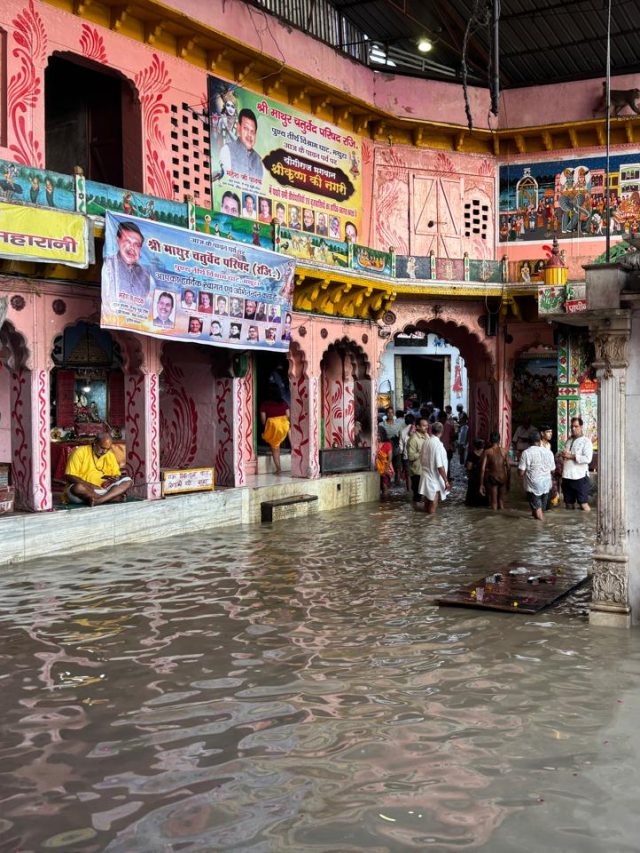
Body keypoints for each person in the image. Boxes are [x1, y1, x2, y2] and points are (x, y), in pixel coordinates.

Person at [64, 432, 132, 506]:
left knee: (128, 481)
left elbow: (117, 475)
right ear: (95, 443)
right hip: (85, 492)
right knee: (77, 487)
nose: (104, 452)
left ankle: (98, 500)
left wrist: (113, 480)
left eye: (107, 449)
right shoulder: (79, 452)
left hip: (104, 490)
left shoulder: (110, 455)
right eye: (102, 448)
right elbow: (69, 476)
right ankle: (110, 499)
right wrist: (91, 486)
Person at [102, 221, 152, 313]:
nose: (132, 248)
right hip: (112, 320)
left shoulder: (145, 274)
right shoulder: (108, 264)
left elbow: (148, 302)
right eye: (128, 241)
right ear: (118, 240)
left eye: (136, 245)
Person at [519, 430, 556, 521]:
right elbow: (553, 470)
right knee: (538, 511)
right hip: (546, 486)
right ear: (539, 441)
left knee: (539, 514)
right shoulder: (549, 452)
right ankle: (536, 531)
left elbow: (521, 472)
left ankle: (542, 531)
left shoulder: (526, 453)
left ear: (529, 442)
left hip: (533, 486)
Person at [219, 108, 263, 179]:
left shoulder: (259, 162)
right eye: (246, 129)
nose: (249, 135)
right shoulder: (227, 150)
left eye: (252, 132)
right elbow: (225, 180)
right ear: (239, 128)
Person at [561, 417, 593, 511]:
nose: (573, 429)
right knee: (568, 505)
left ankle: (587, 525)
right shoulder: (569, 440)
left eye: (576, 426)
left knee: (583, 504)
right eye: (572, 427)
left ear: (581, 427)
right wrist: (563, 456)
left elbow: (588, 459)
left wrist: (571, 456)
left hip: (580, 477)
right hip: (566, 476)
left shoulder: (586, 442)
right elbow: (566, 455)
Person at [418, 421, 450, 515]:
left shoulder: (426, 442)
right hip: (434, 477)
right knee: (433, 501)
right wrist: (446, 481)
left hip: (426, 474)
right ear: (442, 432)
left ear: (431, 430)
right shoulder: (438, 445)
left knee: (427, 501)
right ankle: (432, 524)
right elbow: (440, 465)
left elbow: (421, 458)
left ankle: (426, 523)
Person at [259, 384, 290, 474]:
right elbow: (288, 415)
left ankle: (278, 468)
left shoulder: (264, 404)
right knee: (289, 428)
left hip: (274, 427)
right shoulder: (284, 403)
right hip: (284, 426)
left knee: (275, 448)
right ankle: (293, 445)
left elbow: (263, 420)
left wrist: (266, 427)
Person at [480, 431, 510, 510]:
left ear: (490, 440)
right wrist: (508, 481)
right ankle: (502, 519)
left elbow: (483, 469)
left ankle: (494, 519)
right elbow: (508, 468)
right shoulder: (504, 451)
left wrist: (481, 484)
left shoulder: (487, 452)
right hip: (503, 478)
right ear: (499, 440)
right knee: (501, 502)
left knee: (494, 502)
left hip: (493, 478)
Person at [407, 417, 429, 505]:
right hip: (417, 472)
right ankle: (415, 516)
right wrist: (422, 452)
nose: (426, 427)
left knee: (426, 496)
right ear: (418, 427)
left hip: (425, 470)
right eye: (424, 426)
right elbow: (411, 457)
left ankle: (421, 517)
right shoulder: (413, 439)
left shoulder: (427, 436)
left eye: (427, 425)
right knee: (417, 496)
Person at [381, 407, 403, 486]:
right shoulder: (382, 424)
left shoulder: (398, 424)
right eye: (388, 412)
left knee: (397, 466)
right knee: (387, 465)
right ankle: (388, 482)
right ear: (386, 414)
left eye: (391, 412)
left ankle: (397, 483)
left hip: (396, 447)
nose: (390, 414)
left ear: (393, 414)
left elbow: (401, 435)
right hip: (386, 448)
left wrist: (401, 446)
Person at [465, 439, 487, 506]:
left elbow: (469, 467)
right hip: (484, 478)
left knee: (472, 498)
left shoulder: (471, 454)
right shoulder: (486, 453)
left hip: (473, 478)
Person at [398, 413, 415, 492]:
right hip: (416, 456)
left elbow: (401, 447)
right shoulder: (416, 430)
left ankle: (409, 491)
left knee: (408, 475)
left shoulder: (402, 431)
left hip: (406, 456)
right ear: (414, 421)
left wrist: (401, 459)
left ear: (405, 421)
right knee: (416, 474)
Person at [375, 428, 394, 498]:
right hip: (376, 468)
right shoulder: (374, 444)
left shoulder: (387, 444)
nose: (377, 437)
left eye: (379, 435)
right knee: (378, 486)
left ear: (383, 435)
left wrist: (386, 469)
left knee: (384, 486)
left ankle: (385, 502)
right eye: (376, 435)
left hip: (385, 467)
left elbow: (390, 458)